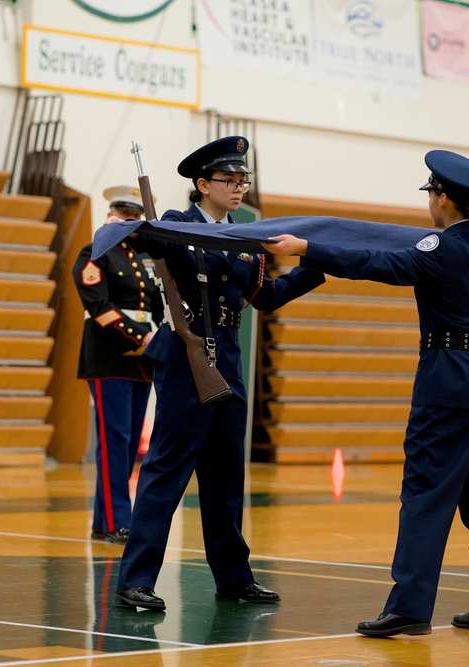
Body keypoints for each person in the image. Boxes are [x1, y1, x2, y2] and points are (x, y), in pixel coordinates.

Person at [264, 150, 469, 637]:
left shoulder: (439, 249)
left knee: (425, 495)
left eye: (431, 195)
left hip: (447, 384)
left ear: (442, 199)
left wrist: (305, 248)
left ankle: (410, 607)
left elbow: (373, 261)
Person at [112, 136, 325, 611]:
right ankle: (137, 579)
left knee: (227, 475)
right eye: (229, 180)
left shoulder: (247, 236)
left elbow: (263, 297)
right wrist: (146, 230)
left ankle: (234, 578)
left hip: (226, 354)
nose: (238, 187)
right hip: (188, 355)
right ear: (202, 184)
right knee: (167, 470)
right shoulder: (177, 224)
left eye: (242, 180)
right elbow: (149, 240)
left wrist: (314, 266)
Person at [72, 185, 162, 544]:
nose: (129, 223)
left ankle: (105, 519)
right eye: (124, 217)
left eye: (134, 218)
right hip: (110, 354)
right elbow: (98, 306)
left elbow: (156, 304)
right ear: (111, 216)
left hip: (143, 361)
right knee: (115, 441)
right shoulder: (95, 252)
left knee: (127, 446)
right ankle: (115, 522)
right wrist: (141, 335)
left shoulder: (143, 258)